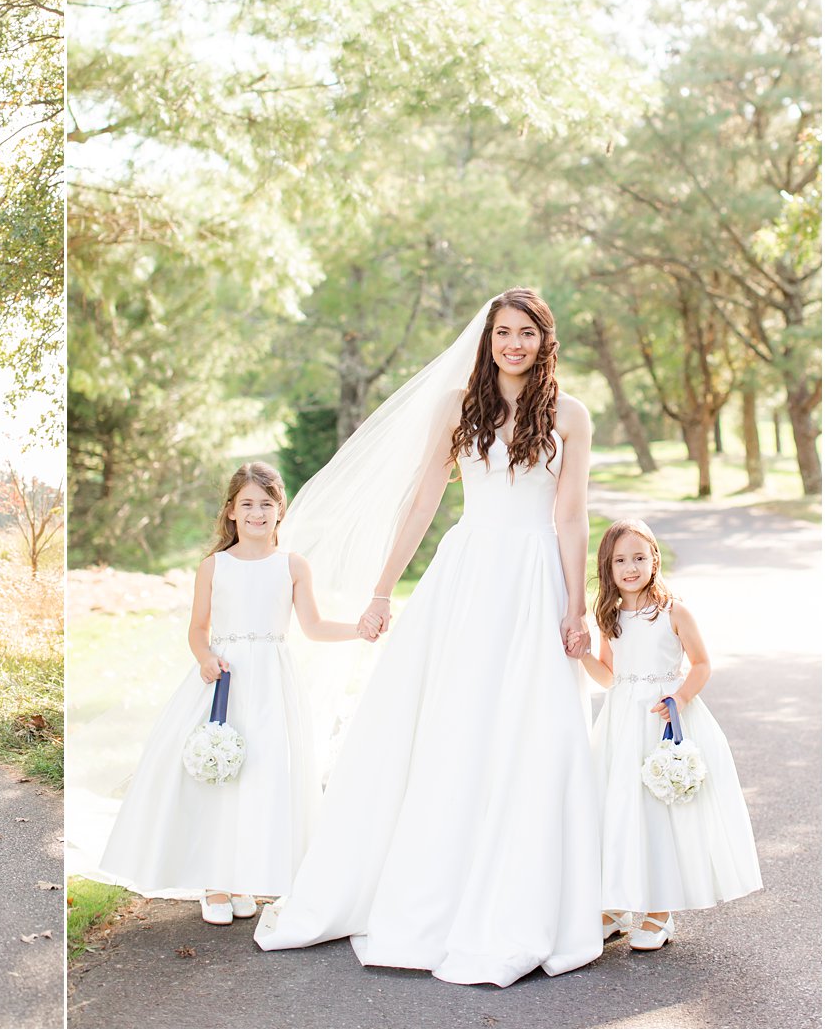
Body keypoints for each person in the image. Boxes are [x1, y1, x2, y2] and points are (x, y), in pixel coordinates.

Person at [255, 287, 603, 987]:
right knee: (454, 721)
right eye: (504, 331)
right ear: (488, 338)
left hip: (534, 578)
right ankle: (428, 887)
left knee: (533, 729)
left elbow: (571, 518)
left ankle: (518, 893)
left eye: (526, 332)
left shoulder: (570, 414)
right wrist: (383, 588)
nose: (513, 343)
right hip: (469, 575)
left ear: (545, 339)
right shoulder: (457, 407)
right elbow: (422, 499)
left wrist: (577, 605)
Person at [96, 462, 368, 925]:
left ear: (280, 511)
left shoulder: (293, 566)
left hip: (272, 685)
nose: (257, 513)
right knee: (218, 774)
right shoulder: (214, 566)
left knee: (259, 775)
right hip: (224, 680)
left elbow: (314, 626)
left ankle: (243, 877)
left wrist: (359, 630)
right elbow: (198, 629)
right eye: (247, 504)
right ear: (230, 512)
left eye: (266, 504)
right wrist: (205, 658)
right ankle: (215, 884)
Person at [580, 518, 762, 951]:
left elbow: (701, 664)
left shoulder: (673, 611)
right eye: (620, 560)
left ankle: (660, 912)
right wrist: (581, 654)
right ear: (607, 567)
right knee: (620, 808)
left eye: (639, 558)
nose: (630, 567)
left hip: (664, 720)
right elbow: (608, 676)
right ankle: (619, 903)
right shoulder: (609, 614)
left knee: (659, 812)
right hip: (623, 722)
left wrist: (678, 699)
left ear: (654, 559)